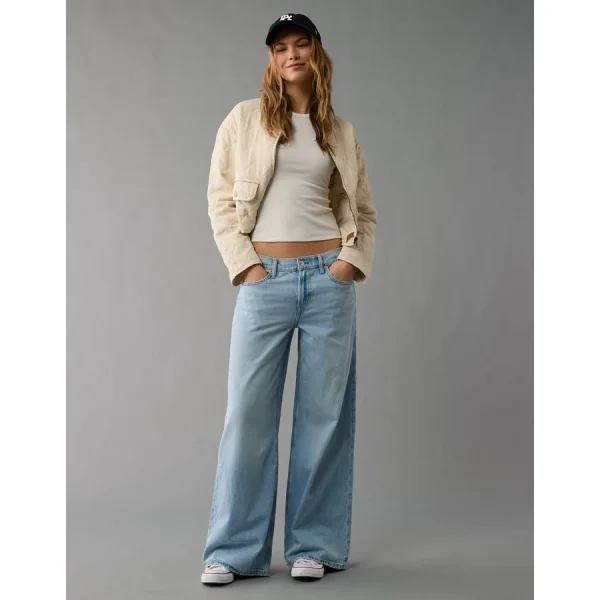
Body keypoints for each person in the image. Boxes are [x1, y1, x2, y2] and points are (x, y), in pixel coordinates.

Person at [201, 13, 377, 586]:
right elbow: (221, 200)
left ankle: (314, 546)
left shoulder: (340, 132)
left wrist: (348, 263)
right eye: (280, 47)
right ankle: (232, 552)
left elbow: (362, 209)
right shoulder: (244, 119)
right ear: (272, 59)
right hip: (265, 280)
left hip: (329, 281)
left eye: (300, 44)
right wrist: (247, 267)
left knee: (324, 418)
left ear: (316, 53)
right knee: (248, 417)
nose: (291, 54)